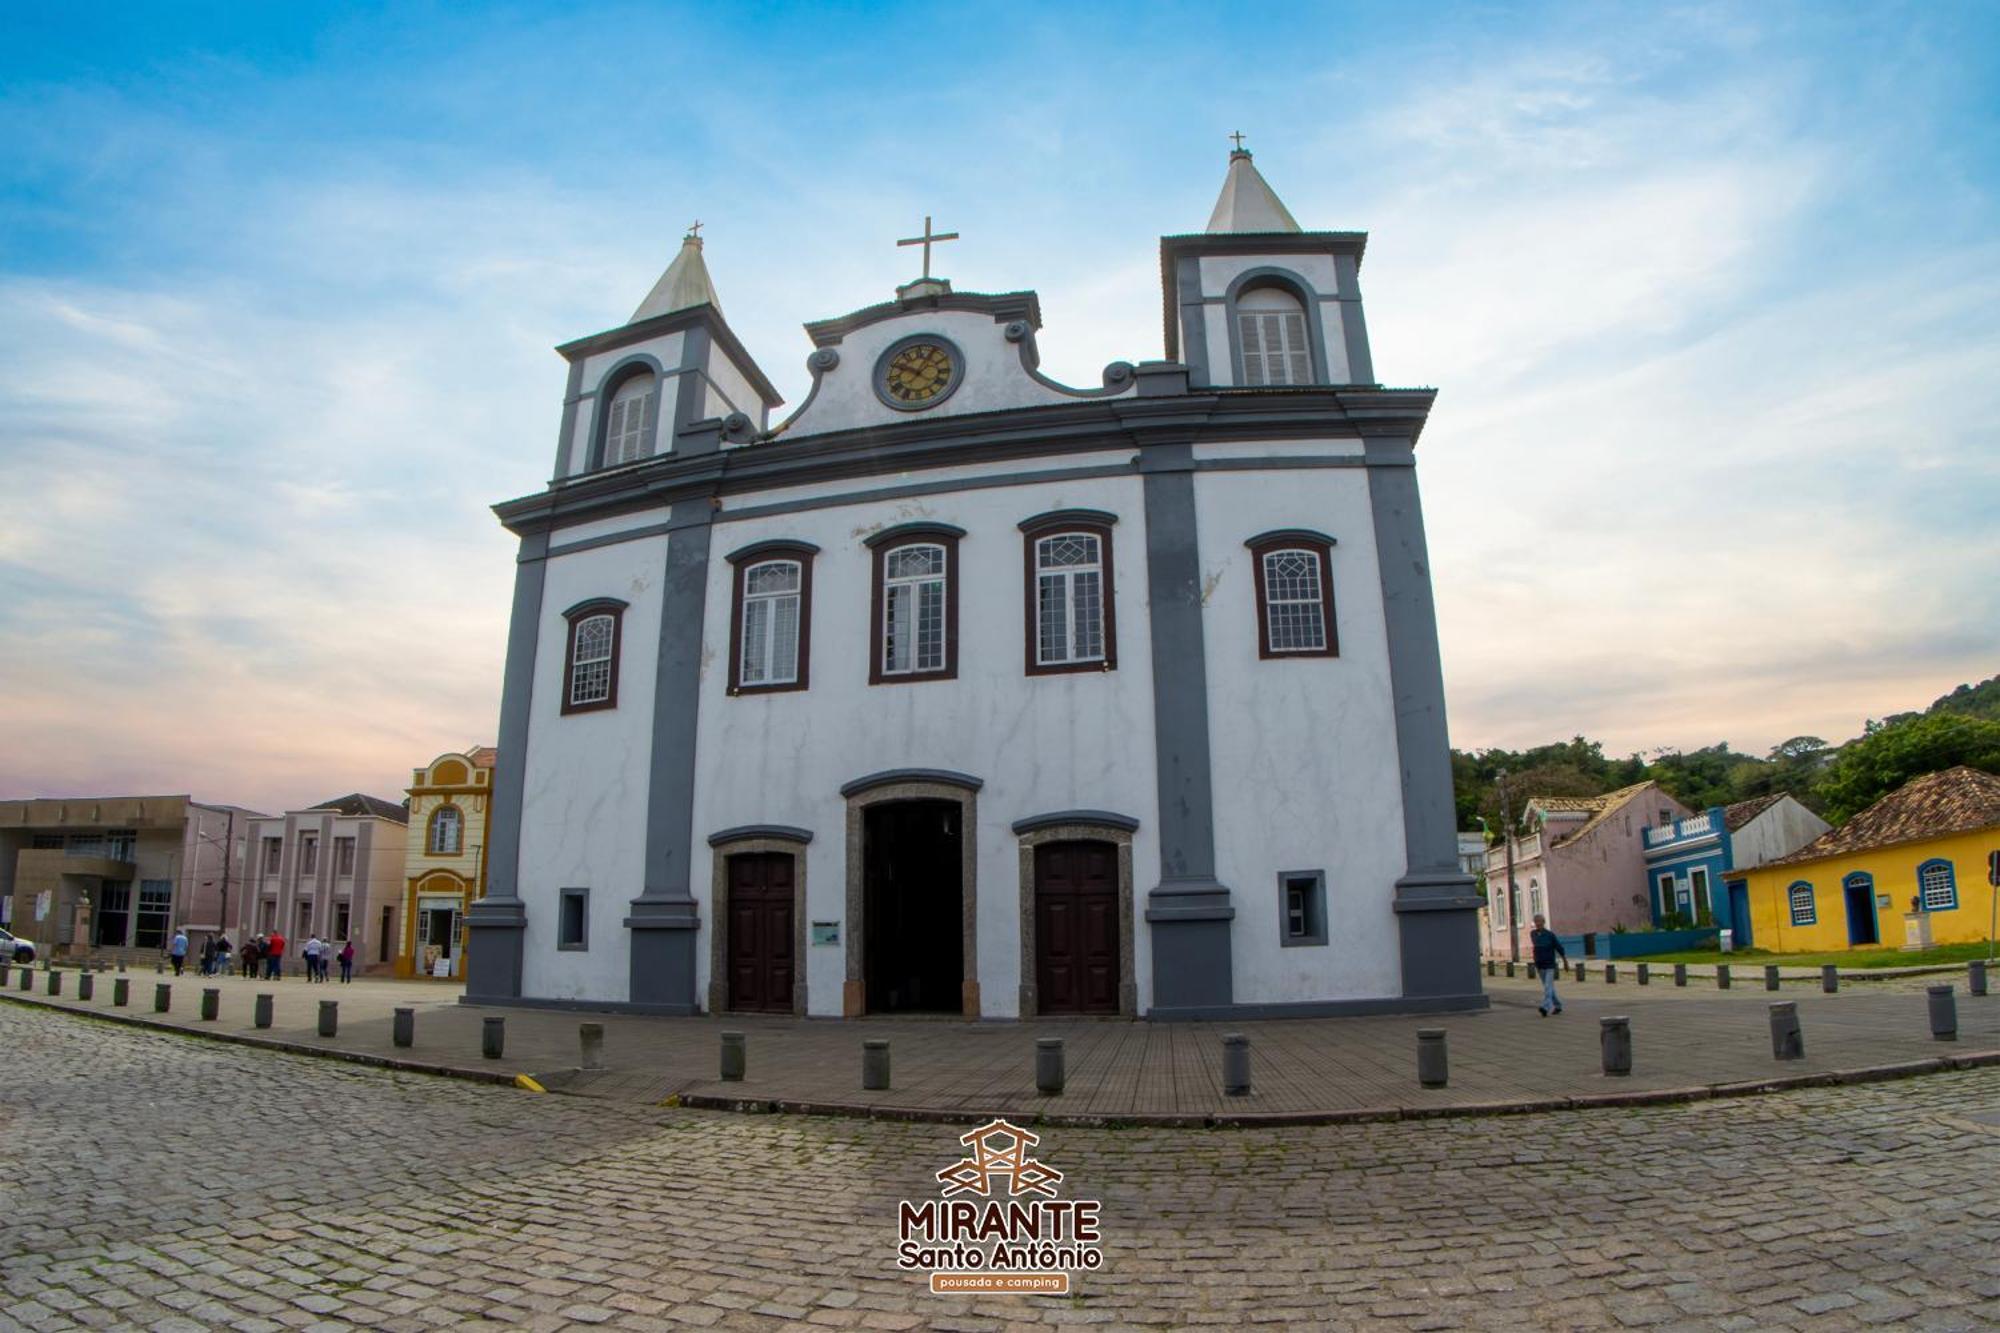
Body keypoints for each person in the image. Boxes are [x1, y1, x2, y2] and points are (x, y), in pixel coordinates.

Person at [1529, 913, 1567, 1017]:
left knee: (1547, 987)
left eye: (1539, 921)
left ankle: (1545, 1007)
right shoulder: (1533, 934)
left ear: (1543, 922)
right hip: (1540, 965)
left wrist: (1565, 961)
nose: (1537, 924)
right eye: (1536, 921)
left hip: (1550, 964)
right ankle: (1558, 1005)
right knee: (1549, 987)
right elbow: (1537, 945)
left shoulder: (1550, 935)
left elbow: (1559, 947)